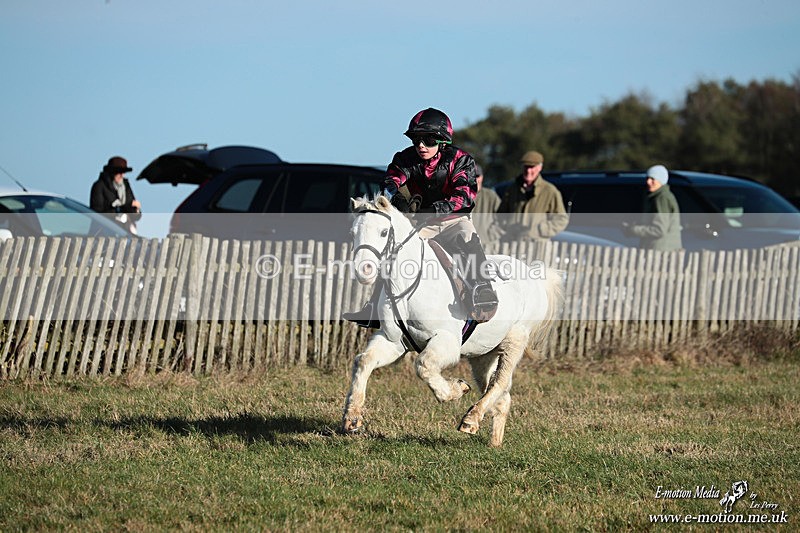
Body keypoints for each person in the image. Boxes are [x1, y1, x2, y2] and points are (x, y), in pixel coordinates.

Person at [343, 108, 498, 328]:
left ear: (442, 141)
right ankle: (374, 307)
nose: (421, 146)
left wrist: (440, 207)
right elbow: (393, 178)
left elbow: (465, 195)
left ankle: (483, 290)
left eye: (428, 140)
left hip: (453, 220)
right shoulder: (405, 158)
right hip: (423, 222)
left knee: (468, 238)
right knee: (395, 250)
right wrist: (392, 192)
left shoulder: (462, 160)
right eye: (417, 140)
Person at [497, 150, 568, 240]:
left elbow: (561, 219)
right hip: (512, 243)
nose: (528, 170)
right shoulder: (512, 189)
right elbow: (500, 215)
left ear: (540, 168)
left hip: (538, 245)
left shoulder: (550, 191)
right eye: (526, 167)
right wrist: (508, 227)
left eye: (532, 167)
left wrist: (540, 230)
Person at [622, 164, 682, 250]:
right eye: (647, 178)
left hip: (660, 251)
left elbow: (659, 230)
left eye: (653, 179)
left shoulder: (661, 198)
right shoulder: (661, 196)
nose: (648, 182)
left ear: (661, 181)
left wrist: (633, 230)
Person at [90, 156, 142, 234]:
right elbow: (97, 213)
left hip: (125, 232)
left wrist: (136, 210)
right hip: (104, 232)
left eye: (123, 172)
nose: (122, 175)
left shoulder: (126, 186)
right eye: (119, 172)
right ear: (111, 172)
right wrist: (123, 208)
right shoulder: (99, 186)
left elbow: (135, 215)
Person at [471, 163, 504, 244]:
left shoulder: (491, 196)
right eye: (471, 176)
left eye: (477, 176)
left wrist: (489, 236)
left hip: (487, 248)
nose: (475, 180)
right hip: (464, 248)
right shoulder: (459, 196)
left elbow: (504, 219)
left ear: (482, 177)